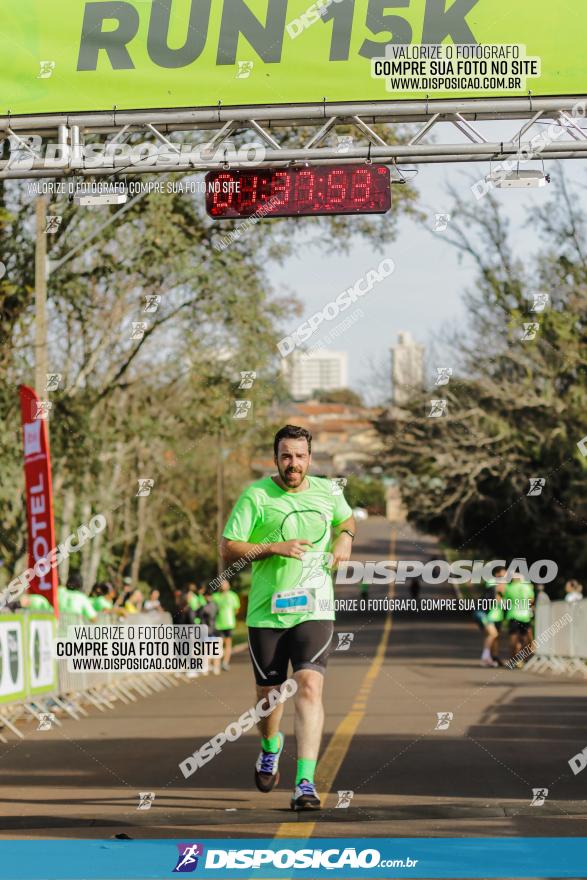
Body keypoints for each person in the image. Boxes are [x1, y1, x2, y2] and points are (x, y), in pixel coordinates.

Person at [221, 424, 355, 811]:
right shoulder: (257, 495)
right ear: (275, 458)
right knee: (270, 697)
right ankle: (269, 745)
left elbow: (346, 521)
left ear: (310, 459)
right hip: (267, 611)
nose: (292, 464)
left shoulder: (329, 491)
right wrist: (273, 546)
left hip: (315, 607)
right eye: (285, 456)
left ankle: (305, 783)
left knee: (310, 685)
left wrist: (345, 537)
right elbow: (229, 547)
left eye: (299, 456)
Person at [504, 572, 535, 666]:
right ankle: (523, 658)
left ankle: (513, 659)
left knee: (513, 637)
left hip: (513, 615)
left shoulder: (509, 588)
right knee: (524, 637)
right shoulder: (527, 587)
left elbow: (506, 602)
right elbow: (531, 600)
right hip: (525, 616)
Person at [482, 566, 508, 667]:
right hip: (490, 614)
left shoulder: (505, 583)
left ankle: (494, 657)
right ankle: (487, 656)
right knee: (492, 635)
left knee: (496, 637)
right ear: (497, 574)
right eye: (502, 574)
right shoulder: (492, 582)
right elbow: (495, 596)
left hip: (499, 615)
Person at [212, 580, 241, 671]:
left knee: (228, 643)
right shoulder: (215, 596)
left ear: (228, 585)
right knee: (219, 644)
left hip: (229, 623)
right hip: (218, 624)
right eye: (222, 584)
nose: (224, 586)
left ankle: (225, 662)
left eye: (225, 584)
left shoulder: (233, 596)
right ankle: (217, 663)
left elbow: (236, 609)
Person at [198, 588, 221, 675]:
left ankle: (213, 667)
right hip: (211, 631)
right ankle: (211, 667)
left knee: (210, 650)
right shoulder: (213, 605)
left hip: (211, 631)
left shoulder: (206, 607)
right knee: (209, 650)